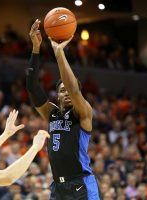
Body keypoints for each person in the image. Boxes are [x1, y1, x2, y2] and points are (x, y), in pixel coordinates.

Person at [26, 19, 102, 199]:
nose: (67, 92)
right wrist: (36, 48)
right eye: (62, 90)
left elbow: (73, 88)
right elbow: (32, 87)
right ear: (57, 95)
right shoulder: (51, 113)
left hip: (81, 183)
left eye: (69, 89)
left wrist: (59, 52)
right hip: (58, 187)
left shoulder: (82, 111)